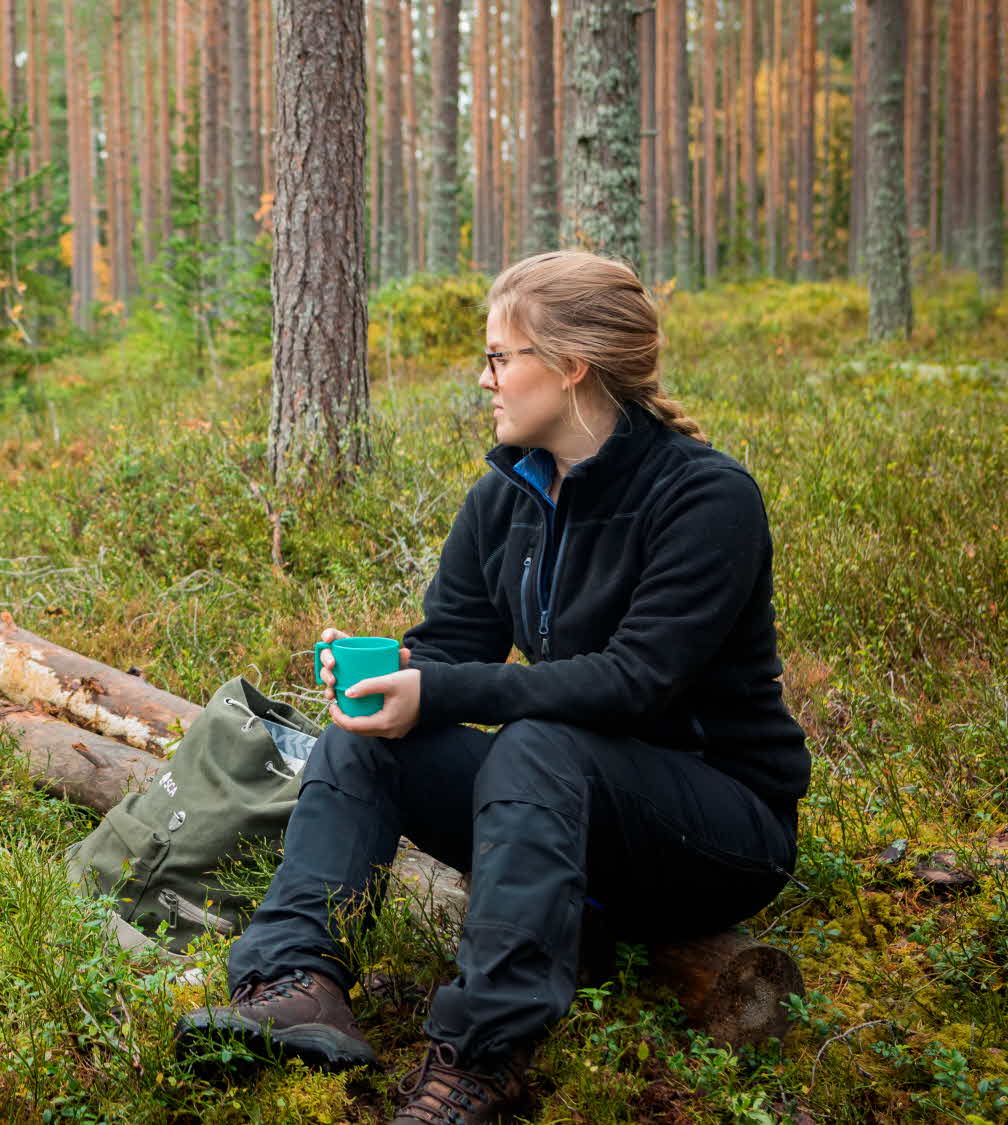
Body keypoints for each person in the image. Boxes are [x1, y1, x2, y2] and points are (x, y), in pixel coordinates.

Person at [175, 250, 810, 1125]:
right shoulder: (504, 498)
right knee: (371, 733)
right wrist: (388, 672)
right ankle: (296, 980)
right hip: (574, 818)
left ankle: (483, 1055)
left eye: (501, 356)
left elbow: (635, 685)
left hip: (720, 830)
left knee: (539, 742)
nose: (486, 378)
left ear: (571, 363)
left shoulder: (705, 499)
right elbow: (452, 648)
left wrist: (438, 692)